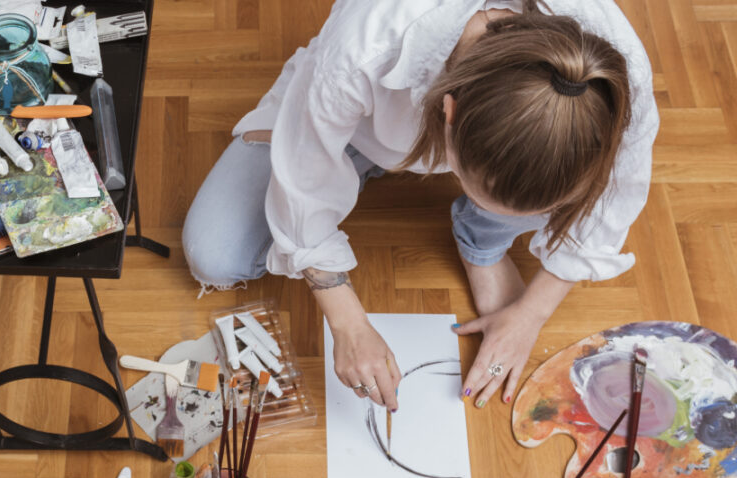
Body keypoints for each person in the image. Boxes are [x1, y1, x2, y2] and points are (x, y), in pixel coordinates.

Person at [181, 0, 658, 412]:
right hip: (357, 113)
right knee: (217, 255)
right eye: (480, 192)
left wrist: (530, 316)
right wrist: (346, 321)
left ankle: (482, 238)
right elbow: (302, 178)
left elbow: (616, 197)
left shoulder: (611, 74)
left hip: (468, 132)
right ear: (448, 115)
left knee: (534, 194)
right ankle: (357, 158)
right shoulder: (364, 45)